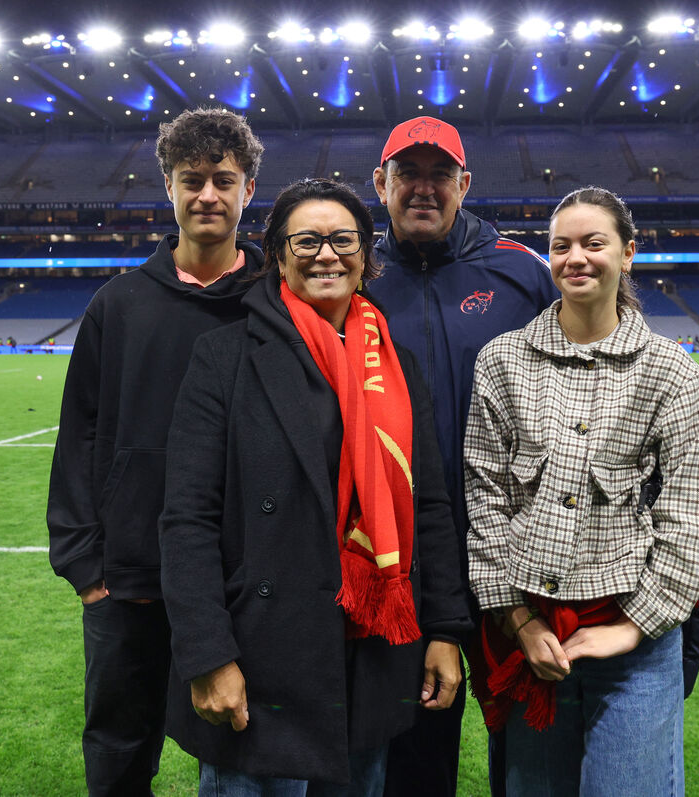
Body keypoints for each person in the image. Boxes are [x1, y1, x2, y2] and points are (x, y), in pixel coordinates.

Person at [159, 178, 472, 793]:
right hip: (259, 656)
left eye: (342, 239)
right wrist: (207, 654)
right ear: (276, 256)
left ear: (365, 255)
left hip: (370, 654)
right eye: (306, 241)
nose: (326, 254)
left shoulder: (397, 363)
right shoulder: (224, 356)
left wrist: (443, 631)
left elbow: (430, 505)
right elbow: (187, 517)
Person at [464, 186, 699, 796]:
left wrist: (633, 627)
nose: (575, 257)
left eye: (593, 243)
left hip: (634, 641)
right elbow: (485, 500)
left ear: (628, 254)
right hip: (535, 638)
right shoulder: (502, 361)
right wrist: (519, 621)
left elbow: (694, 514)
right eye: (561, 246)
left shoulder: (673, 371)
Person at [47, 107, 265, 797]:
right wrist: (86, 565)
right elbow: (78, 434)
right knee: (118, 747)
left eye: (222, 180)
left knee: (240, 748)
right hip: (128, 576)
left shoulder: (275, 301)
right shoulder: (118, 305)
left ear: (248, 190)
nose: (208, 194)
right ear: (167, 186)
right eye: (191, 179)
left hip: (241, 574)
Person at [369, 115, 559, 797]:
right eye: (408, 173)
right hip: (404, 552)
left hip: (516, 545)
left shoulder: (520, 271)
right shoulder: (352, 271)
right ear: (381, 183)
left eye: (439, 174)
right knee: (416, 741)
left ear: (464, 184)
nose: (424, 188)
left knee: (535, 733)